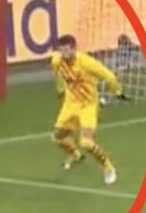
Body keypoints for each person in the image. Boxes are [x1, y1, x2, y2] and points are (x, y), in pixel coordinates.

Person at [51, 34, 128, 185]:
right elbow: (57, 73)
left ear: (74, 49)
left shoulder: (87, 63)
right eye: (61, 50)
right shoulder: (57, 61)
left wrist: (117, 91)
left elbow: (108, 76)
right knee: (57, 138)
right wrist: (60, 88)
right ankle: (76, 155)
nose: (64, 54)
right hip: (70, 105)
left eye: (67, 50)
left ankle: (108, 167)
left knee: (86, 142)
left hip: (88, 106)